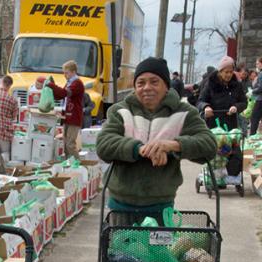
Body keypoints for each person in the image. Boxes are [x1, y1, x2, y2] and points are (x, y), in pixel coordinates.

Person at [96, 57, 217, 216]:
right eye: (141, 83)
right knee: (120, 241)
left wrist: (173, 145)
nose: (147, 87)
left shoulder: (183, 112)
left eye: (154, 82)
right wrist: (139, 149)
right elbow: (104, 144)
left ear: (166, 85)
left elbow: (209, 145)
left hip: (161, 205)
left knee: (159, 241)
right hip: (120, 204)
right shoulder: (120, 110)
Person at [47, 60, 84, 159]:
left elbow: (65, 93)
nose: (64, 75)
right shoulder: (69, 83)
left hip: (74, 117)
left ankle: (78, 165)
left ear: (73, 72)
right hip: (67, 117)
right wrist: (52, 90)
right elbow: (60, 96)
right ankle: (69, 165)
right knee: (66, 145)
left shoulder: (77, 83)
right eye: (64, 72)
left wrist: (52, 86)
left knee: (70, 144)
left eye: (66, 73)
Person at [198, 56, 247, 130]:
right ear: (220, 72)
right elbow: (200, 101)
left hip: (231, 126)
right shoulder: (211, 84)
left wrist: (236, 107)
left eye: (231, 72)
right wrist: (206, 107)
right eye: (226, 72)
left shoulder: (237, 85)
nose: (229, 75)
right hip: (213, 124)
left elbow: (244, 102)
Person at [249, 57, 262, 136]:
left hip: (260, 99)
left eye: (257, 63)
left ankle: (252, 136)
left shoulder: (261, 74)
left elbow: (261, 88)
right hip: (258, 99)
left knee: (254, 118)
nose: (256, 65)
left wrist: (252, 91)